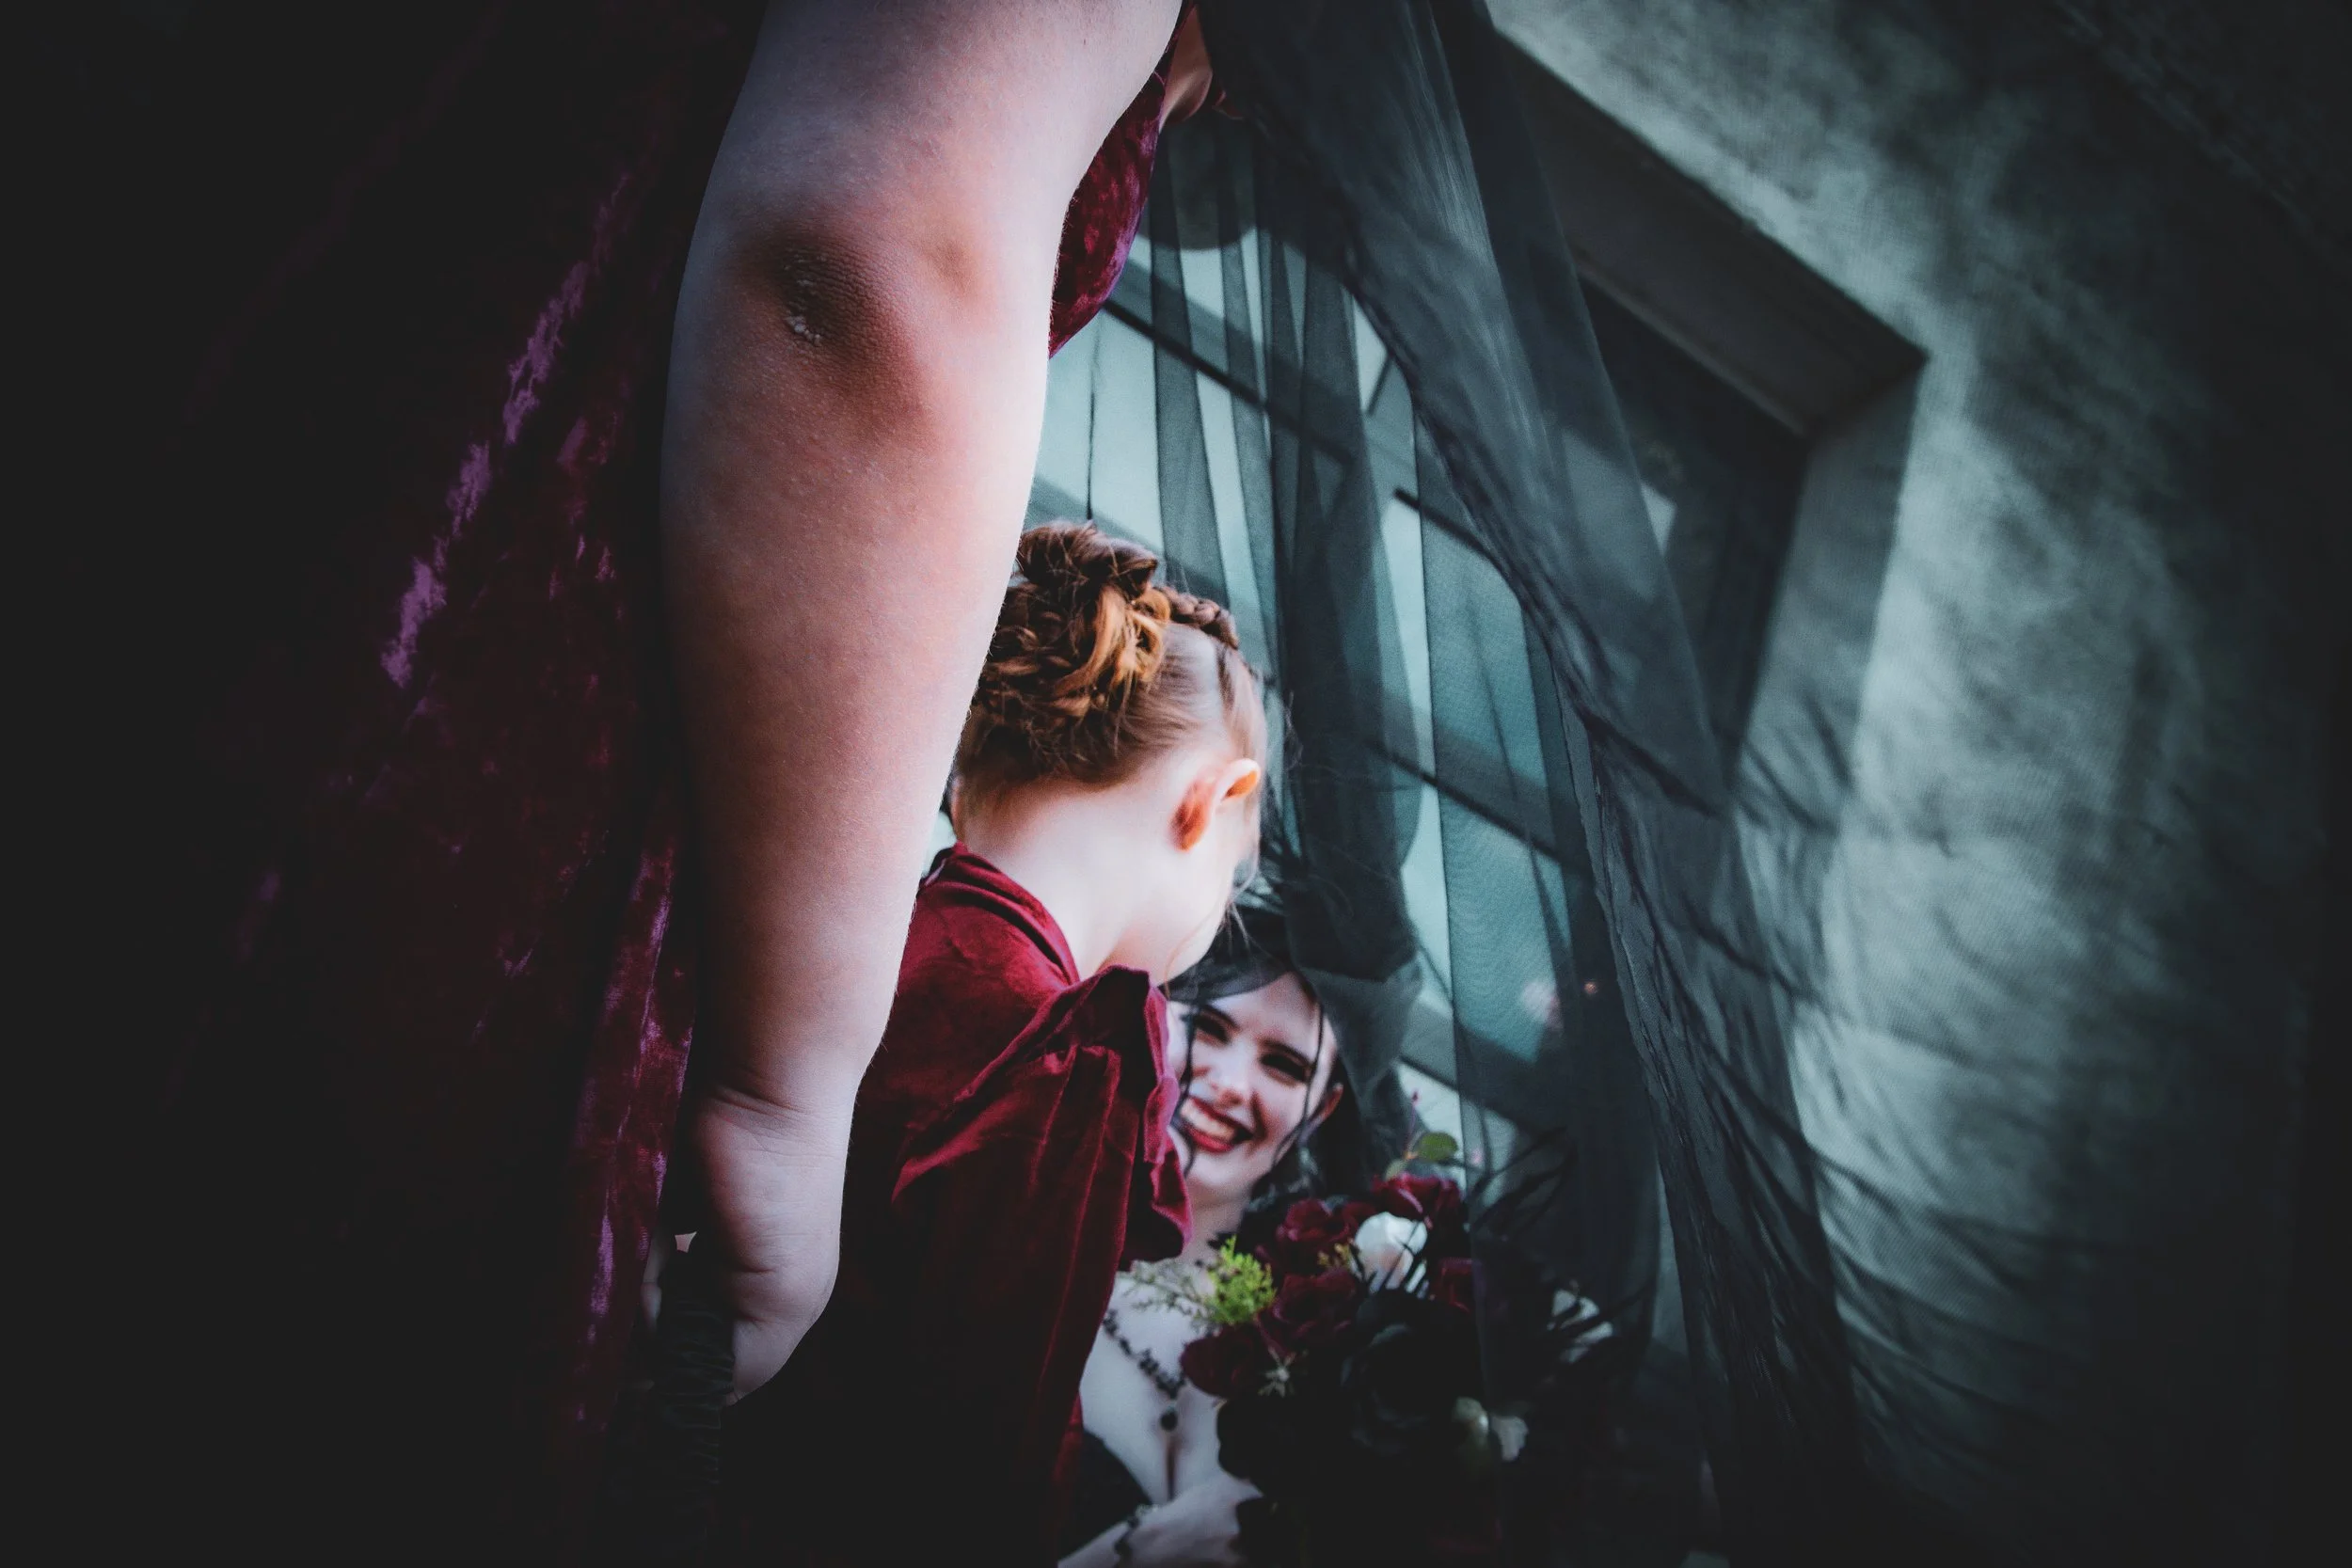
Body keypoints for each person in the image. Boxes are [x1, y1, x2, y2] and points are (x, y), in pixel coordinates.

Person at [665, 0, 1221, 1407]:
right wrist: (780, 1102)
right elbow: (866, 275)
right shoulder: (1063, 1060)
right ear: (1218, 801)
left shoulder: (889, 938)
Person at [714, 522, 1264, 1562]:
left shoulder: (856, 929)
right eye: (1235, 880)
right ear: (1210, 801)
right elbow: (973, 1478)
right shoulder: (1069, 1059)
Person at [1057, 903, 1366, 1567]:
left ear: (1324, 1109)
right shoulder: (1014, 1199)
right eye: (1211, 1027)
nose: (1228, 1085)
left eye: (1283, 1065)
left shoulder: (1303, 1353)